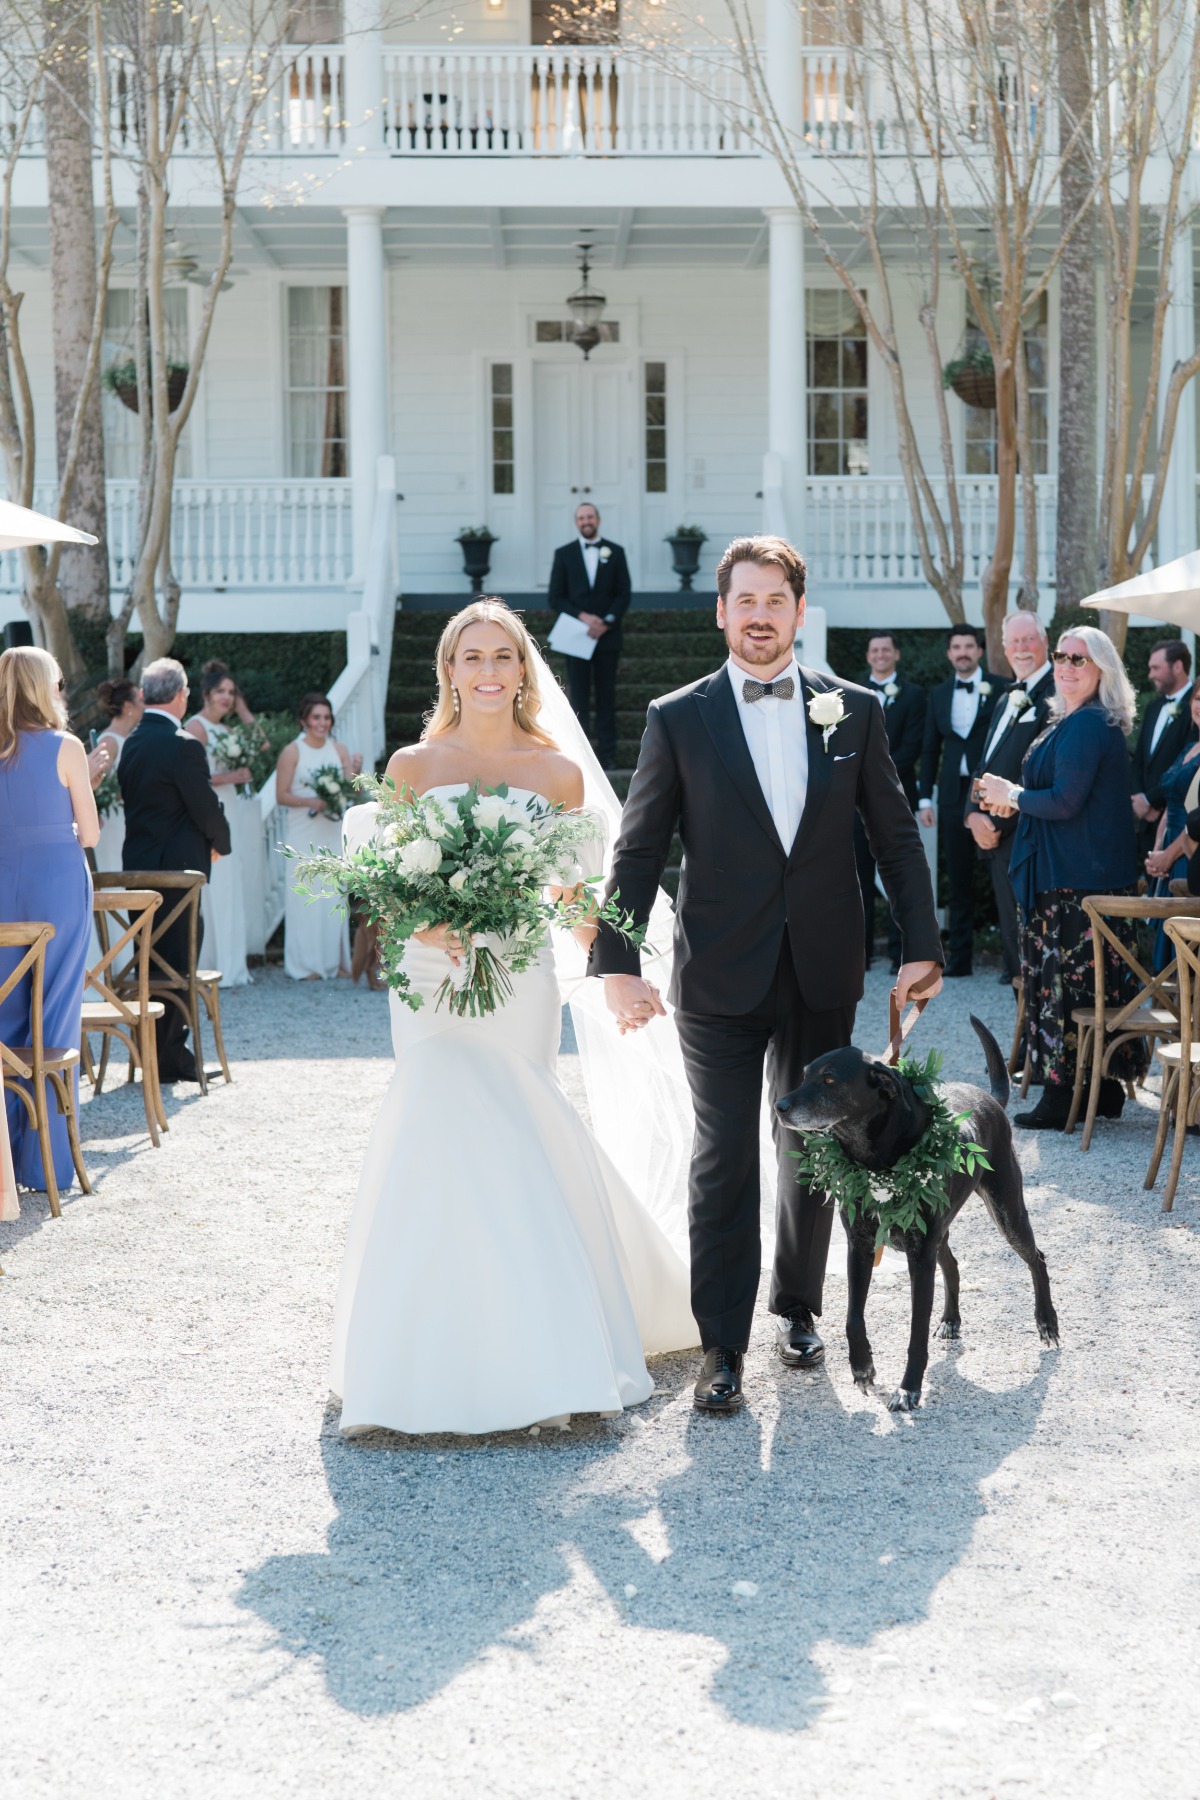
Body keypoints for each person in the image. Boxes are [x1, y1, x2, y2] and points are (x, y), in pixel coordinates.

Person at [591, 535, 944, 1415]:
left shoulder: (852, 710)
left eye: (774, 601)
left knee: (814, 1146)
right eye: (743, 601)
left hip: (823, 965)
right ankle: (722, 1347)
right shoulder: (678, 716)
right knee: (723, 1156)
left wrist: (922, 944)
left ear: (797, 609)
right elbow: (638, 848)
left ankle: (796, 1307)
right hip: (718, 972)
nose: (758, 617)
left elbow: (895, 835)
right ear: (722, 611)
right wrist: (617, 961)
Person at [329, 599, 697, 1436]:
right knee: (432, 1126)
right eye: (473, 657)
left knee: (516, 1124)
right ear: (450, 672)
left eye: (505, 656)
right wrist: (428, 926)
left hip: (519, 975)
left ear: (524, 671)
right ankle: (412, 1357)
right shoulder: (413, 765)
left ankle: (547, 1351)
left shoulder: (558, 774)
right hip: (428, 976)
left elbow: (572, 902)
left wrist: (616, 973)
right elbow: (383, 886)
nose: (489, 671)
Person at [978, 625, 1146, 1132]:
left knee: (1067, 987)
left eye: (1081, 659)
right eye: (1062, 656)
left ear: (1102, 670)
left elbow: (1066, 800)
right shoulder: (1066, 720)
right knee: (1086, 987)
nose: (1067, 666)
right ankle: (1104, 1089)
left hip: (1078, 881)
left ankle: (1060, 1095)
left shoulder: (1091, 724)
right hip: (1072, 874)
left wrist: (1014, 796)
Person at [0, 646, 98, 1193]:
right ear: (45, 688)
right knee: (54, 1013)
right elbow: (91, 833)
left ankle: (4, 1171)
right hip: (58, 885)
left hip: (1, 884)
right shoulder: (67, 746)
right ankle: (46, 1164)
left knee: (4, 1012)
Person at [119, 657, 231, 1084]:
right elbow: (204, 807)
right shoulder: (183, 744)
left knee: (151, 965)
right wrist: (221, 843)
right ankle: (170, 1061)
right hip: (178, 878)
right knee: (178, 967)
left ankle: (155, 1056)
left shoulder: (132, 741)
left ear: (145, 695)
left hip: (138, 873)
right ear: (182, 695)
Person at [965, 612, 1055, 984]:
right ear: (1003, 648)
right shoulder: (1005, 698)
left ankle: (1037, 1037)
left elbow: (1044, 771)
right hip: (998, 842)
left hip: (1032, 838)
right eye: (1013, 642)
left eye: (1028, 639)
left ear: (1045, 642)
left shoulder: (1058, 693)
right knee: (1012, 943)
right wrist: (972, 815)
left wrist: (1000, 820)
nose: (1021, 648)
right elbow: (986, 762)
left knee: (1036, 946)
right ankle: (1023, 1035)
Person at [918, 625, 1004, 978]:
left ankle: (1011, 960)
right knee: (958, 876)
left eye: (969, 646)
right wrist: (926, 796)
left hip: (994, 791)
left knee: (1001, 872)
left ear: (980, 651)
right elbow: (929, 748)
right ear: (950, 654)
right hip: (953, 794)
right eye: (957, 647)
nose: (963, 652)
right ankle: (960, 959)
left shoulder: (1002, 689)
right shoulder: (938, 694)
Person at [853, 628, 926, 971]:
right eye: (875, 650)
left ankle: (901, 953)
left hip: (898, 794)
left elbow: (913, 747)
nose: (880, 655)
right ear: (868, 656)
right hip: (852, 800)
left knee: (900, 873)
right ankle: (861, 953)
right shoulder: (847, 693)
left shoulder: (914, 696)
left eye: (886, 650)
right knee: (858, 875)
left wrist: (877, 777)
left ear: (896, 654)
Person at [276, 694, 359, 981]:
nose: (322, 723)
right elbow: (281, 795)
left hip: (332, 832)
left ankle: (334, 963)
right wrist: (312, 802)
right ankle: (306, 966)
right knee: (305, 898)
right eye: (316, 717)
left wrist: (356, 773)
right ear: (304, 721)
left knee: (333, 896)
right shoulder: (292, 751)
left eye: (326, 717)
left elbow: (351, 789)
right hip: (303, 833)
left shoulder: (339, 749)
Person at [547, 502, 632, 771]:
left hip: (606, 637)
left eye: (590, 516)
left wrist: (605, 621)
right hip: (576, 637)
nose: (586, 521)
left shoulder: (615, 552)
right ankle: (579, 755)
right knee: (579, 698)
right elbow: (555, 597)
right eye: (581, 517)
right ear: (576, 522)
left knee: (607, 696)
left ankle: (608, 755)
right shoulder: (564, 554)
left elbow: (624, 593)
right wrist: (584, 617)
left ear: (598, 520)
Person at [185, 661, 254, 989]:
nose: (226, 697)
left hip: (232, 809)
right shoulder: (195, 727)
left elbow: (262, 742)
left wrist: (243, 710)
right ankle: (212, 963)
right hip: (211, 810)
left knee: (231, 885)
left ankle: (232, 962)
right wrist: (232, 777)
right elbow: (191, 778)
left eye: (231, 692)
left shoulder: (227, 731)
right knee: (217, 886)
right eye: (221, 692)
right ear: (206, 695)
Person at [1129, 638, 1194, 866]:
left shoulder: (1196, 708)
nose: (1150, 675)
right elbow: (1139, 761)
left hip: (1179, 822)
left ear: (1177, 666)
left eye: (1156, 668)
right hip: (1146, 821)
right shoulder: (1153, 707)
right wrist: (1138, 800)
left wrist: (1150, 800)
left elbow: (1189, 764)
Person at [91, 678, 143, 875]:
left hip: (131, 817)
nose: (143, 704)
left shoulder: (129, 738)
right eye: (139, 699)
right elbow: (99, 783)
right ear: (129, 706)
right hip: (114, 821)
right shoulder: (109, 740)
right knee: (118, 871)